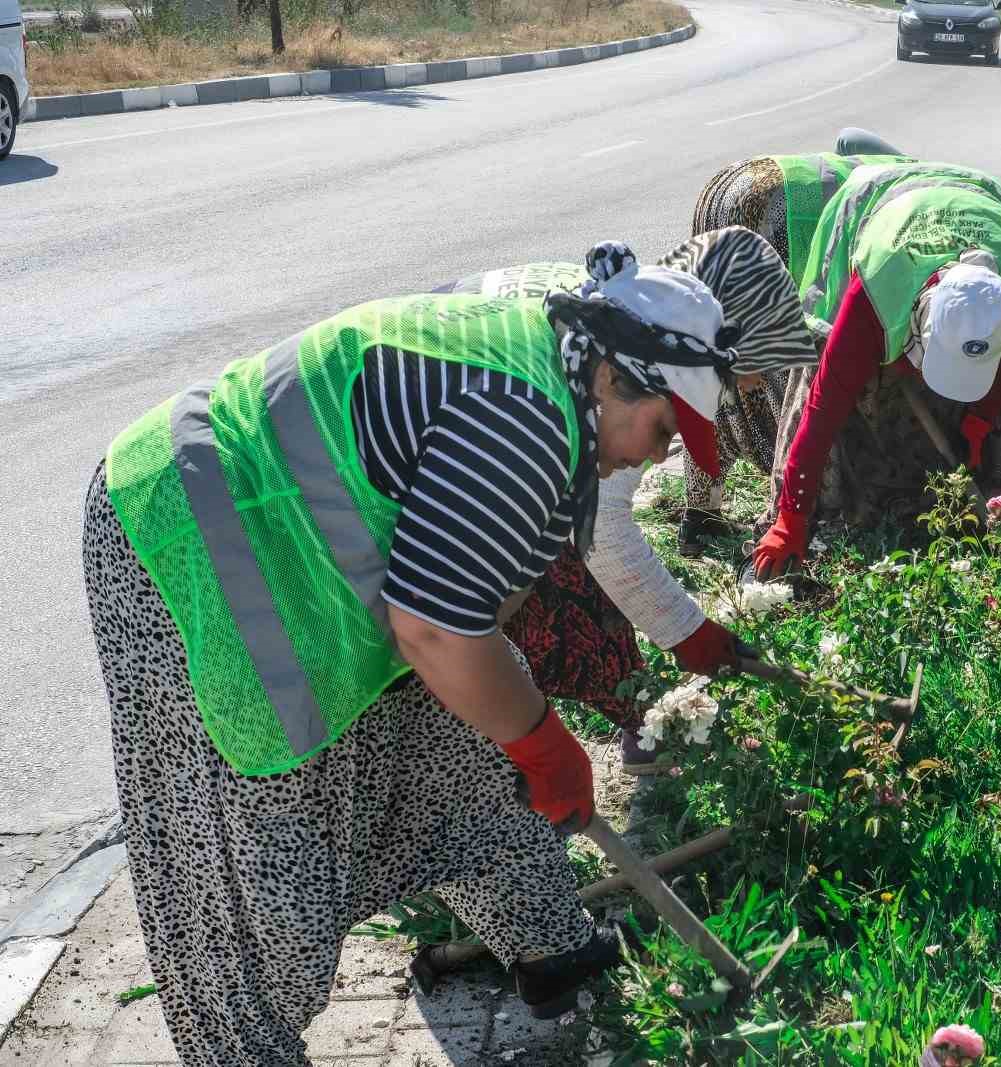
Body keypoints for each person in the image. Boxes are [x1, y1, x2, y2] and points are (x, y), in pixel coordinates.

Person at [84, 241, 740, 1065]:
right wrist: (543, 740)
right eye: (660, 429)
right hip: (190, 538)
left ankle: (547, 943)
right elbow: (433, 629)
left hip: (294, 547)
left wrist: (513, 718)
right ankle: (241, 1048)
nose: (656, 455)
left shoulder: (567, 384)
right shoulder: (526, 419)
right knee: (257, 853)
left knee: (466, 733)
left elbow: (474, 609)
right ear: (613, 379)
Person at [437, 227, 817, 773]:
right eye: (754, 358)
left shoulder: (633, 333)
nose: (662, 456)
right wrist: (687, 632)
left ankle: (564, 720)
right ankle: (502, 735)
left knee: (560, 555)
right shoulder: (600, 380)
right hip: (420, 445)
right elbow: (605, 534)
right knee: (545, 574)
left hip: (457, 423)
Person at [750, 158, 1001, 578]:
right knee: (831, 381)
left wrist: (982, 420)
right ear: (917, 321)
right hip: (876, 205)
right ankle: (832, 520)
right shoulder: (876, 289)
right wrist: (791, 515)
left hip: (987, 199)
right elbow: (823, 407)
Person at [686, 132, 908, 555]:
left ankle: (700, 513)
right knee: (786, 377)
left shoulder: (894, 176)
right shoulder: (918, 197)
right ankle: (789, 501)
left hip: (734, 184)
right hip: (782, 208)